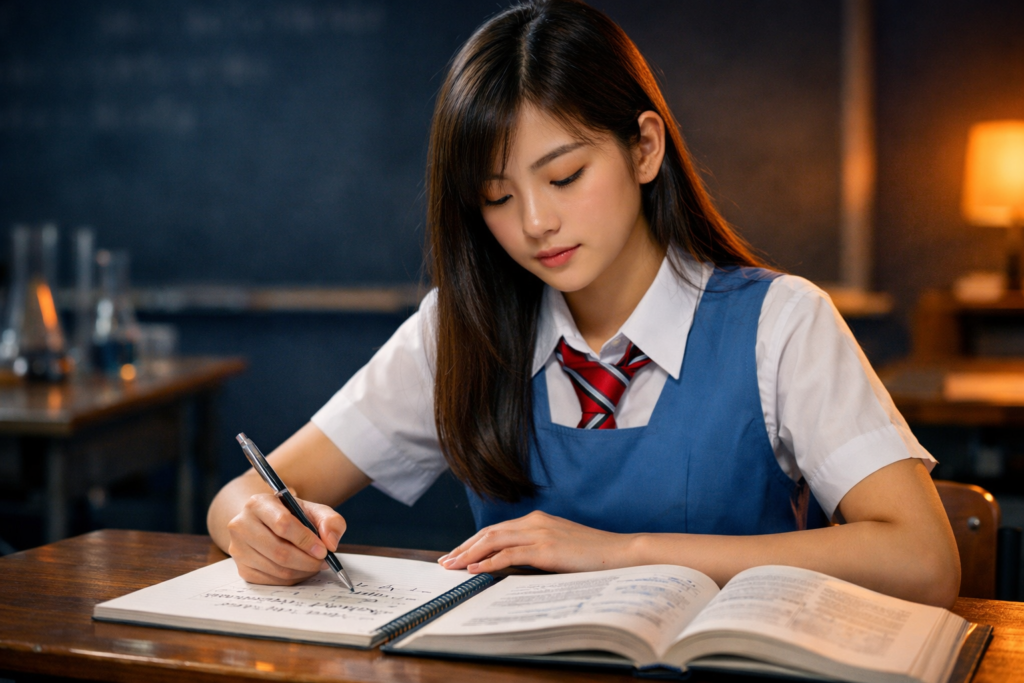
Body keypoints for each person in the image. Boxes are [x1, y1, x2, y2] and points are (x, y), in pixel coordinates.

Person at [208, 0, 960, 607]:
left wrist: (623, 553)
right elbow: (248, 490)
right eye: (498, 197)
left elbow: (922, 557)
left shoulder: (781, 322)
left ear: (644, 149)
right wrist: (260, 528)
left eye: (564, 177)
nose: (535, 223)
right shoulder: (462, 330)